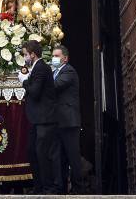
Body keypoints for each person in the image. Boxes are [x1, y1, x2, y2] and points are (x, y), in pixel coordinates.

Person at [18, 40, 61, 194]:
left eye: (25, 55)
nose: (25, 58)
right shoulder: (36, 68)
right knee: (32, 151)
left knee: (42, 154)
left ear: (33, 54)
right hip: (37, 119)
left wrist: (24, 81)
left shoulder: (41, 68)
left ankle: (48, 188)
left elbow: (35, 92)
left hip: (45, 119)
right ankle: (39, 186)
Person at [51, 45, 84, 193]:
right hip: (58, 121)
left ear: (65, 58)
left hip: (69, 122)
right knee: (59, 157)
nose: (54, 59)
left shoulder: (68, 71)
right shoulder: (56, 72)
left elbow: (56, 86)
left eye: (57, 56)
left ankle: (78, 189)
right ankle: (61, 188)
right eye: (53, 56)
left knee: (73, 156)